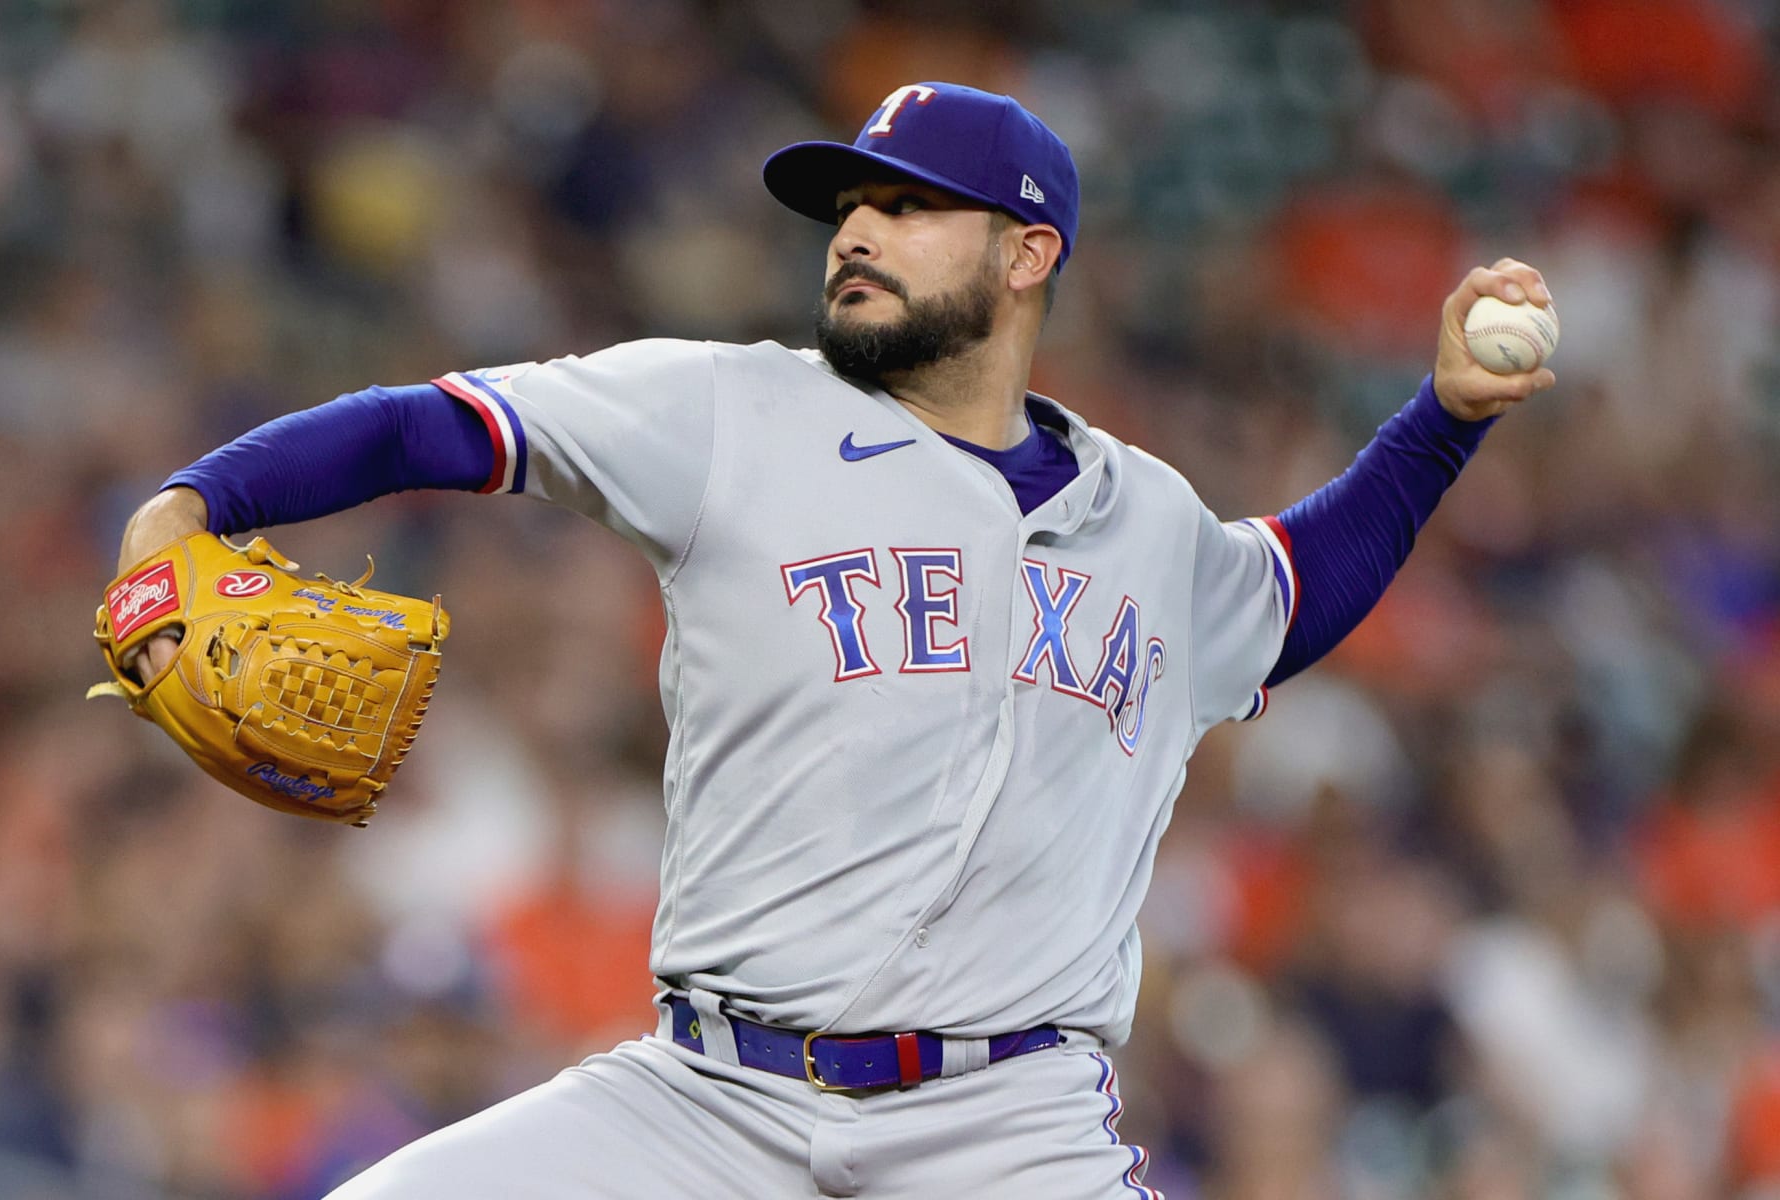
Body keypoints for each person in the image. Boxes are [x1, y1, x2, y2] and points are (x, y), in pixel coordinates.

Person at [114, 82, 1556, 1198]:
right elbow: (433, 422)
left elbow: (1294, 593)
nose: (858, 231)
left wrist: (1443, 426)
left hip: (1005, 1125)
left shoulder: (1150, 522)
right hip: (704, 1099)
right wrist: (199, 500)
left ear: (1026, 253)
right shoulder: (728, 411)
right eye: (850, 203)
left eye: (912, 206)